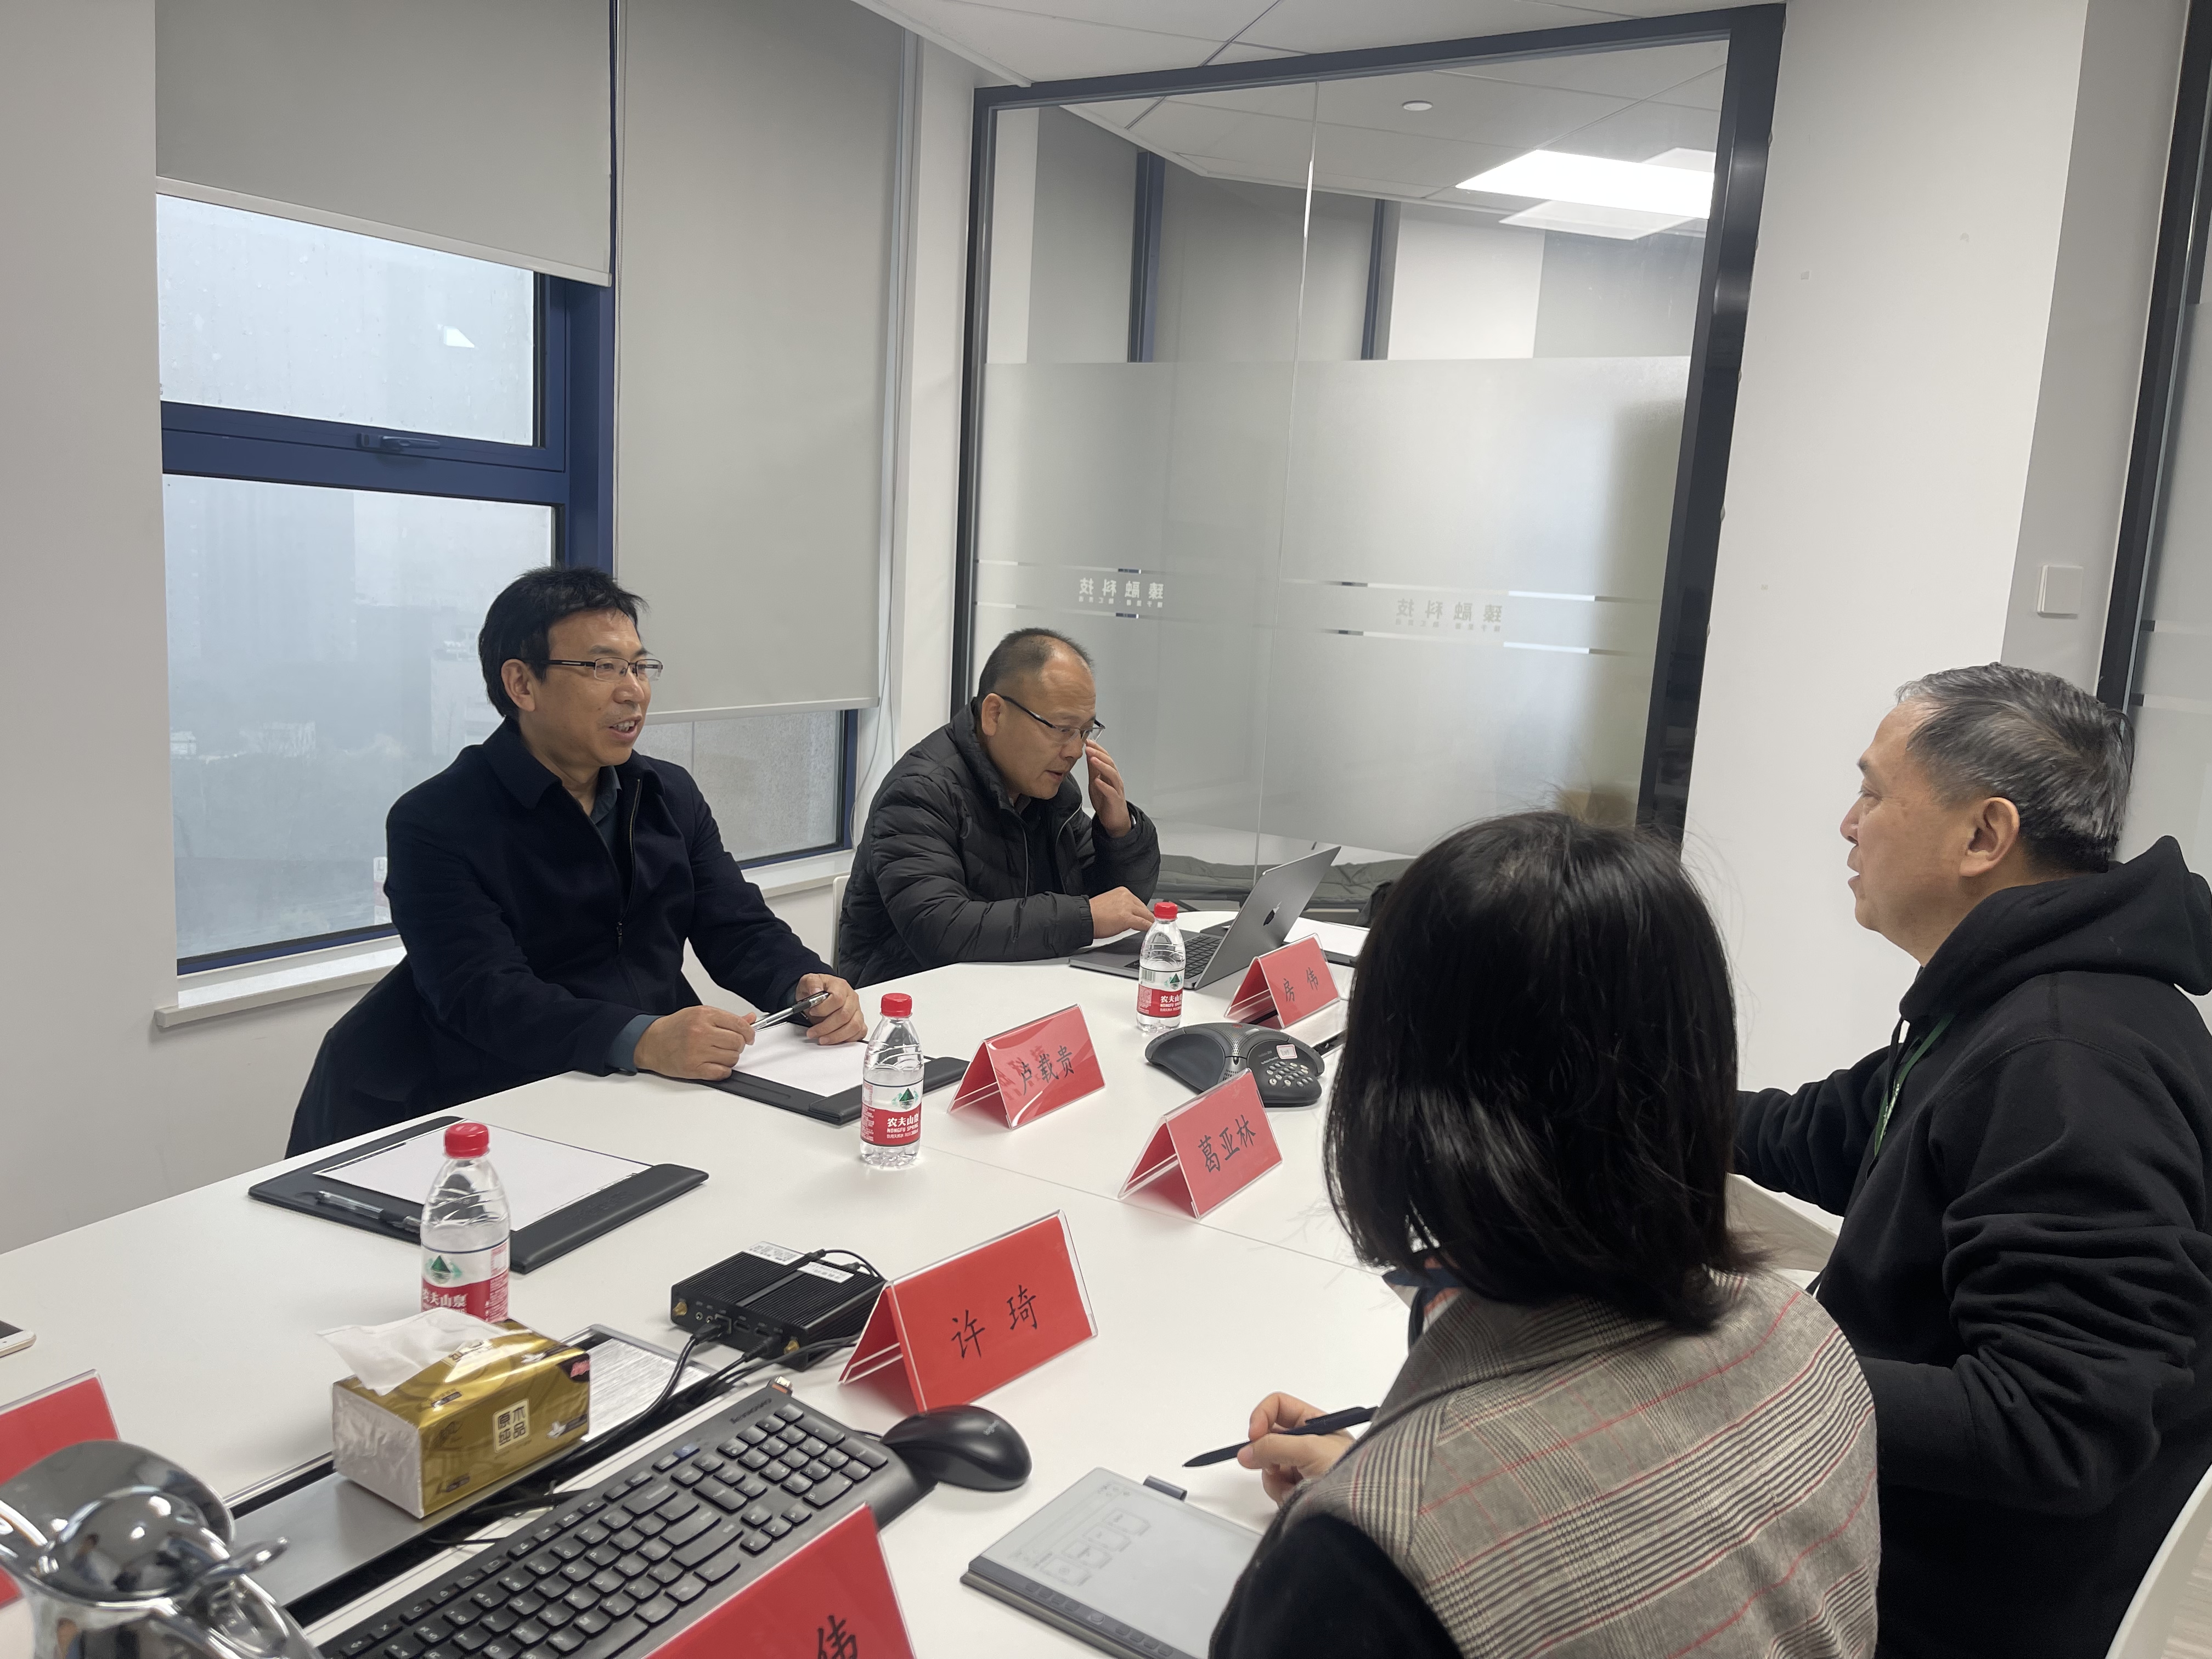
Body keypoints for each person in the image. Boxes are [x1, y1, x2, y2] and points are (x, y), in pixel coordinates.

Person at [1212, 813, 1879, 1659]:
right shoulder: (1811, 1345)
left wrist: (1387, 1502)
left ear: (1397, 1097)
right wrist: (1388, 1469)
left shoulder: (1367, 1571)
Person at [1735, 664, 2212, 1659]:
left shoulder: (2068, 1058)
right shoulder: (2015, 999)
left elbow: (2055, 1425)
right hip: (1890, 1523)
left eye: (1872, 793)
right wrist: (1626, 1113)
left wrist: (1750, 1371)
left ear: (1984, 835)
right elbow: (1833, 1130)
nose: (1847, 825)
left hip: (1934, 1595)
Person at [287, 568, 863, 1153]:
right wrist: (644, 1040)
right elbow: (485, 996)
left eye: (639, 666)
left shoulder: (667, 794)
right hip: (495, 1099)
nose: (633, 691)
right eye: (602, 667)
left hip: (649, 1089)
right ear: (522, 684)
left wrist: (803, 985)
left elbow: (736, 926)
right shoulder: (437, 820)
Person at [834, 628, 1161, 985]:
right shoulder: (919, 792)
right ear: (994, 714)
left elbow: (1116, 905)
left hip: (1013, 990)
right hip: (914, 1003)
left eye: (1085, 731)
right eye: (1062, 729)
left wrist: (1119, 833)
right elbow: (941, 930)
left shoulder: (1049, 792)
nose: (1075, 751)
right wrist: (1084, 918)